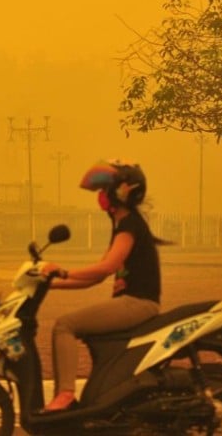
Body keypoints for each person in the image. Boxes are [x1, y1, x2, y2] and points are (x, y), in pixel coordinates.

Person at [39, 160, 169, 412]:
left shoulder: (129, 224)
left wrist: (62, 271)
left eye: (104, 190)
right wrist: (50, 285)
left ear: (120, 192)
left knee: (65, 325)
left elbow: (107, 267)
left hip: (138, 303)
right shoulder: (122, 224)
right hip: (130, 303)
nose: (100, 196)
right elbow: (95, 277)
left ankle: (65, 395)